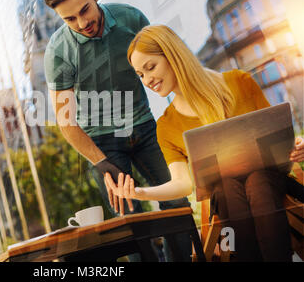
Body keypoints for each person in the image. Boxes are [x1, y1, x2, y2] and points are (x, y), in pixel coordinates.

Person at [108, 24, 304, 261]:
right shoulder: (167, 125)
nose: (147, 80)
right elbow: (183, 184)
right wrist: (140, 193)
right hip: (226, 196)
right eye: (140, 74)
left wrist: (297, 147)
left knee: (257, 181)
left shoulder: (239, 82)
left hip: (274, 182)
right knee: (227, 186)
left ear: (173, 56)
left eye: (151, 67)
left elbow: (280, 143)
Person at [43, 0, 191, 261]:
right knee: (129, 221)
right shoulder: (58, 52)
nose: (82, 22)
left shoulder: (131, 19)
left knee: (176, 200)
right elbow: (66, 123)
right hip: (101, 143)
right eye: (69, 19)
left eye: (84, 10)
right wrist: (101, 163)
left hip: (145, 127)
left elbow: (167, 69)